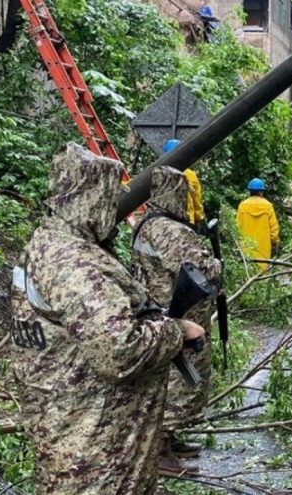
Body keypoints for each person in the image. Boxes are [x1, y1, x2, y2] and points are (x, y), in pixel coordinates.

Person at [9, 143, 206, 494]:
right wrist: (175, 331)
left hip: (75, 430)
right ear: (92, 197)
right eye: (111, 196)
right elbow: (118, 350)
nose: (117, 205)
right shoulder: (73, 263)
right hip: (93, 448)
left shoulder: (51, 241)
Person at [131, 166, 222, 477]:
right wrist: (217, 264)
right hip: (180, 317)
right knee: (180, 381)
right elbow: (199, 270)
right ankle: (160, 450)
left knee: (171, 379)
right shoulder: (171, 230)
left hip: (159, 313)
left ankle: (168, 440)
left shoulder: (146, 225)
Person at [237, 178, 280, 269]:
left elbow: (237, 227)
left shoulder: (243, 206)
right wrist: (275, 241)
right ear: (261, 192)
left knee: (247, 271)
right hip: (263, 248)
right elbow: (273, 229)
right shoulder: (268, 206)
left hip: (246, 247)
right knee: (262, 273)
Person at [163, 140, 205, 226]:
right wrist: (198, 219)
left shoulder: (159, 173)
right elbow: (197, 203)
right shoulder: (190, 175)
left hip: (164, 225)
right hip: (186, 224)